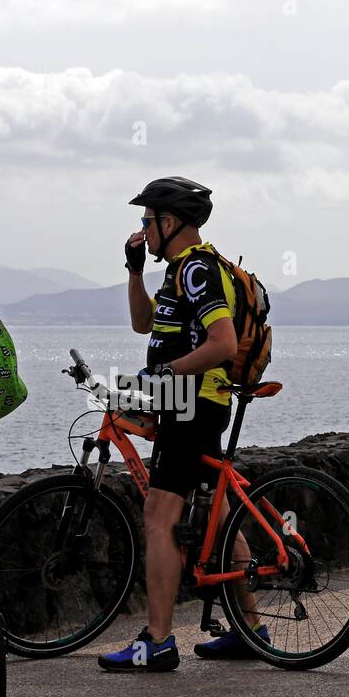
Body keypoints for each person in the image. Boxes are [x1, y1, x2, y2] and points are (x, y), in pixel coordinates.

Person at [98, 176, 266, 671]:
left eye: (147, 221)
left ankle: (157, 641)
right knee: (220, 513)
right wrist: (133, 273)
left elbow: (223, 344)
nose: (143, 230)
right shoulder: (178, 270)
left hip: (191, 402)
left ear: (169, 222)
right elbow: (142, 323)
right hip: (187, 399)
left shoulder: (196, 270)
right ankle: (249, 629)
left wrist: (164, 375)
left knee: (158, 516)